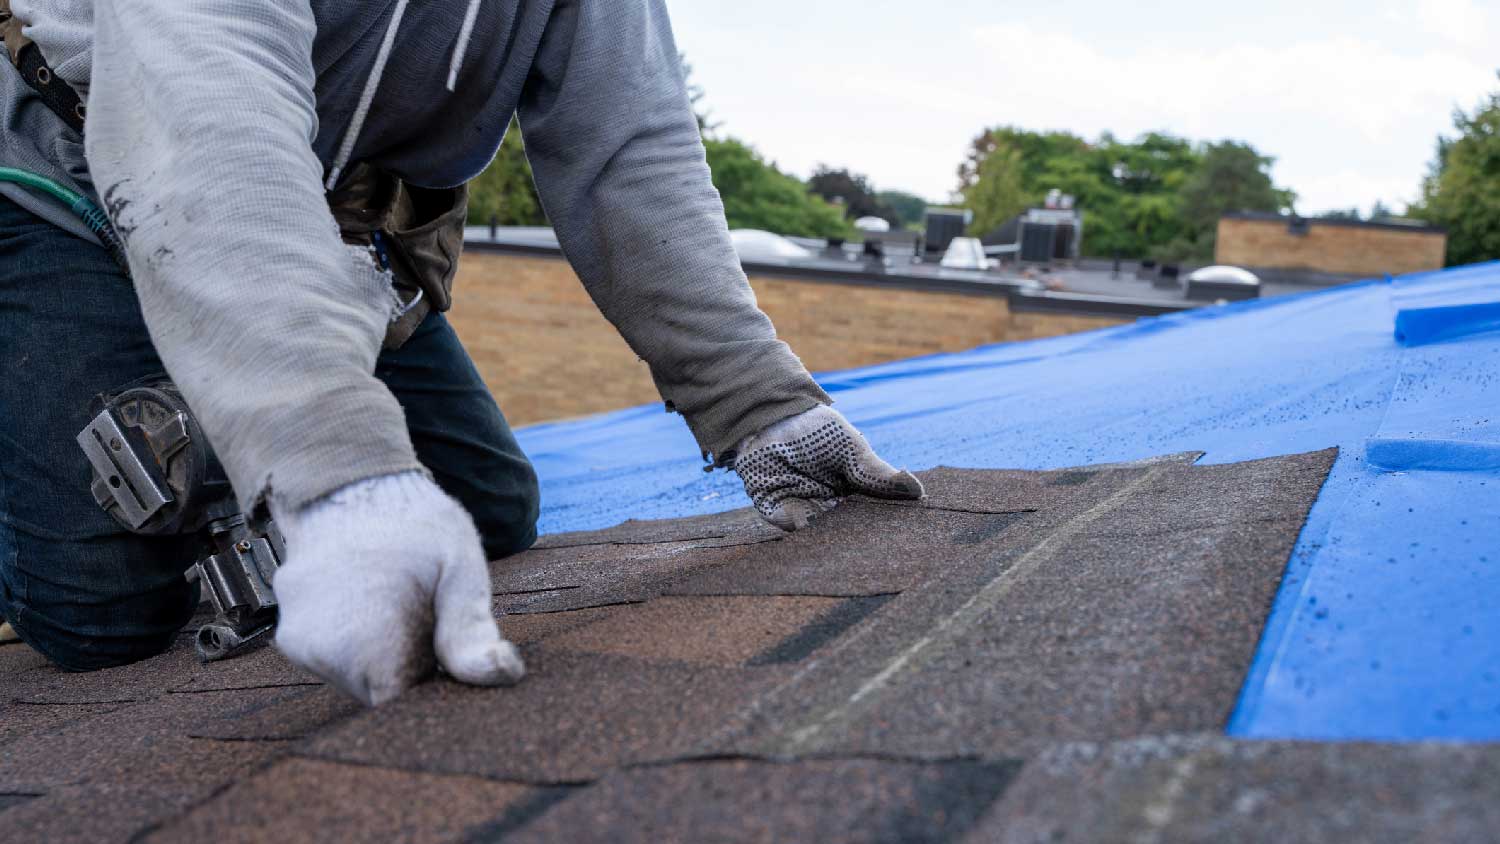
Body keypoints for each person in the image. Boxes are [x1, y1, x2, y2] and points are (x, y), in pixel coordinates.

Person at [0, 0, 923, 705]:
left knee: (486, 510)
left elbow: (627, 148)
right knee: (102, 615)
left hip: (328, 217)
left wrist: (762, 409)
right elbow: (206, 122)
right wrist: (335, 472)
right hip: (71, 182)